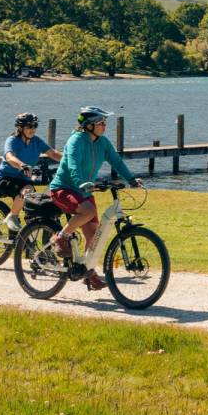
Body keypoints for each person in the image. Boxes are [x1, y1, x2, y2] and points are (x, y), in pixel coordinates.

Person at [46, 106, 139, 290]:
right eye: (101, 123)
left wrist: (131, 178)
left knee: (94, 237)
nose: (105, 126)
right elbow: (73, 165)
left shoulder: (102, 142)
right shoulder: (75, 141)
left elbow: (116, 161)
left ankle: (88, 272)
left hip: (84, 191)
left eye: (105, 123)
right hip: (63, 188)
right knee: (88, 211)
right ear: (89, 126)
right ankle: (60, 237)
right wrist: (81, 182)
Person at [0, 112, 61, 233]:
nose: (33, 129)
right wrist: (22, 165)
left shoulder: (36, 141)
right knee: (27, 189)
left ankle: (24, 239)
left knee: (35, 207)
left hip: (24, 180)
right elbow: (9, 157)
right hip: (6, 178)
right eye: (29, 126)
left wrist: (71, 160)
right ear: (20, 128)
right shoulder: (12, 140)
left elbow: (53, 154)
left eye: (35, 125)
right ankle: (12, 216)